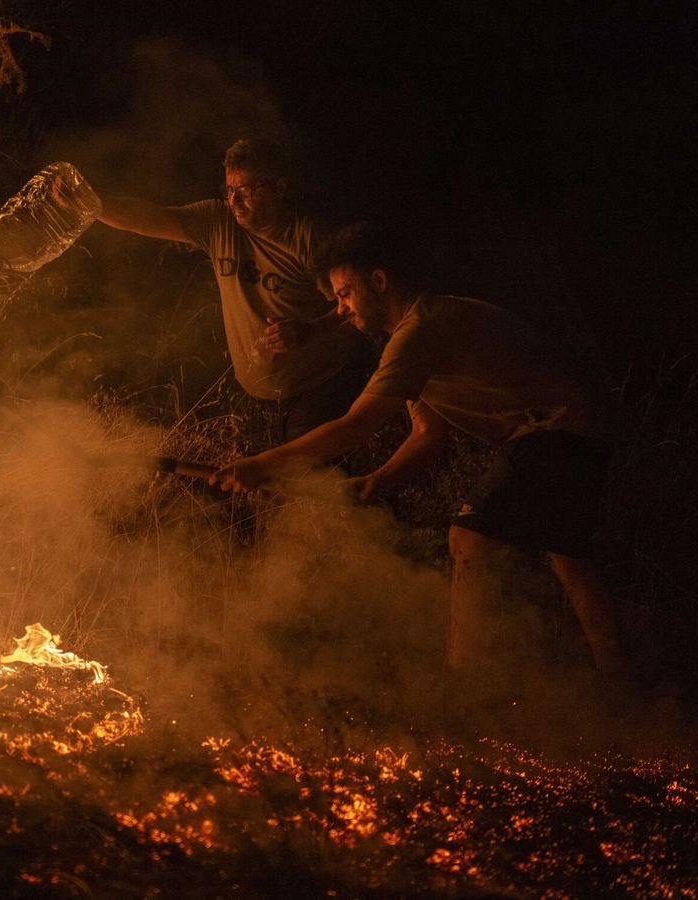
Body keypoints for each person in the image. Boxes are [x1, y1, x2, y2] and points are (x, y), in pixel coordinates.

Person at [212, 222, 630, 684]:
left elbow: (357, 424)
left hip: (559, 424)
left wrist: (263, 464)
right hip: (575, 426)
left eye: (346, 293)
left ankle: (465, 686)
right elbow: (430, 433)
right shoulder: (411, 338)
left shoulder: (422, 329)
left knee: (469, 537)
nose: (341, 308)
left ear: (379, 281)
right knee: (567, 554)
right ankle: (620, 684)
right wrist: (378, 481)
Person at [93, 139, 375, 449]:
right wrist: (89, 203)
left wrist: (310, 329)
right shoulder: (218, 223)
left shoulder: (308, 240)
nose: (234, 201)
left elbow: (360, 308)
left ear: (279, 188)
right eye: (229, 190)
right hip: (257, 394)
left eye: (247, 191)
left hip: (317, 387)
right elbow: (149, 218)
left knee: (314, 483)